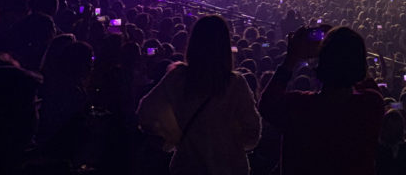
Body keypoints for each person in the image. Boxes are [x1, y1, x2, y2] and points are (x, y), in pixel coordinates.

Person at [138, 14, 261, 175]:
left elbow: (146, 113)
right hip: (228, 168)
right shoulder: (235, 84)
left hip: (187, 166)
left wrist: (175, 137)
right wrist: (228, 142)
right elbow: (252, 132)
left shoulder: (177, 78)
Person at [259, 25, 384, 175]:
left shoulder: (299, 107)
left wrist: (292, 58)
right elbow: (362, 76)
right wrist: (343, 43)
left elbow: (267, 104)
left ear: (321, 63)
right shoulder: (370, 104)